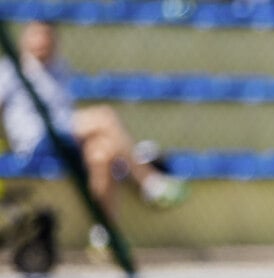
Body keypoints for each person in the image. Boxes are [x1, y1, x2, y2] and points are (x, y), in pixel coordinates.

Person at [0, 20, 188, 250]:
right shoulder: (10, 70)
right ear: (24, 40)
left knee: (102, 153)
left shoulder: (59, 67)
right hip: (36, 140)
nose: (42, 42)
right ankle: (148, 179)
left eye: (47, 36)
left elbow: (64, 112)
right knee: (105, 117)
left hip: (65, 139)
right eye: (36, 36)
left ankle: (104, 233)